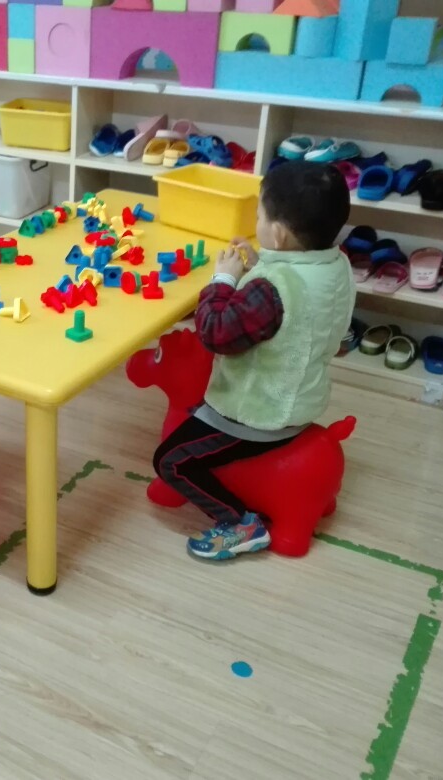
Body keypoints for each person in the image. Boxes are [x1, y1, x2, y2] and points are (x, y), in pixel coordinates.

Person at [153, 161, 355, 560]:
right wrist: (263, 263)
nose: (256, 222)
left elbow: (214, 333)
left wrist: (224, 279)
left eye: (259, 216)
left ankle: (239, 523)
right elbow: (299, 303)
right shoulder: (337, 264)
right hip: (304, 399)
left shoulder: (271, 290)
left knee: (169, 461)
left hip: (259, 413)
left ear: (277, 233)